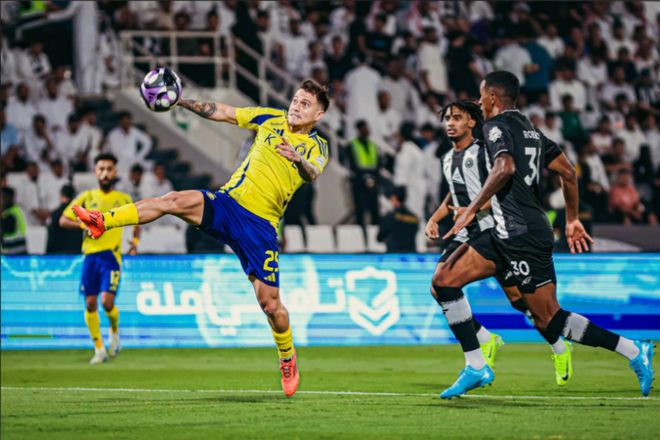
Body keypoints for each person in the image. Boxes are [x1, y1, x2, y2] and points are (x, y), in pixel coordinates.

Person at [73, 79, 331, 397]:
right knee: (172, 200)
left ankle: (287, 356)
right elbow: (224, 112)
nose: (296, 106)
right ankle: (103, 221)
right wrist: (181, 101)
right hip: (228, 204)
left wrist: (297, 158)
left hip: (261, 227)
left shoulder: (318, 146)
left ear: (318, 115)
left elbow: (313, 172)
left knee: (271, 305)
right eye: (295, 100)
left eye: (305, 104)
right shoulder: (270, 118)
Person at [433, 71, 654, 399]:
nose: (479, 102)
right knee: (444, 281)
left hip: (522, 234)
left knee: (549, 320)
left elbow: (505, 167)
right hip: (504, 232)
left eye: (481, 96)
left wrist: (471, 208)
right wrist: (572, 219)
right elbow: (568, 171)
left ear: (492, 97)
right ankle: (476, 365)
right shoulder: (530, 130)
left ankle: (632, 349)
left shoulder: (495, 127)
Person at [426, 100, 572, 385]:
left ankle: (558, 347)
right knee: (440, 285)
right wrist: (434, 218)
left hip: (492, 231)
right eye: (447, 118)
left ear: (471, 122)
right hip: (467, 233)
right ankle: (484, 341)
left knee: (522, 303)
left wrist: (474, 210)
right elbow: (453, 193)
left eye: (457, 117)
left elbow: (499, 189)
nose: (450, 123)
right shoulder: (447, 158)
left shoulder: (483, 152)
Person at [59, 153, 140, 364]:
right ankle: (99, 349)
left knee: (107, 302)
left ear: (115, 172)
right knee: (90, 303)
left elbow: (138, 220)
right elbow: (63, 220)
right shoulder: (86, 197)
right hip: (90, 257)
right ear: (95, 172)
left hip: (111, 256)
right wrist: (83, 225)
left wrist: (134, 243)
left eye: (109, 169)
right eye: (101, 169)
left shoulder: (123, 199)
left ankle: (114, 332)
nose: (105, 173)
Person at [377, 186, 419, 253]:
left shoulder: (389, 217)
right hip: (411, 254)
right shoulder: (414, 218)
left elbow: (379, 238)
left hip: (393, 254)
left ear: (394, 198)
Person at [46, 184, 83, 254]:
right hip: (76, 255)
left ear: (61, 196)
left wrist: (48, 255)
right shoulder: (79, 214)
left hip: (58, 256)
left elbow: (51, 239)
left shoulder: (55, 214)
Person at [1, 186, 27, 255]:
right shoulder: (14, 210)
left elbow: (7, 229)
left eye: (2, 198)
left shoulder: (11, 214)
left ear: (8, 198)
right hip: (16, 251)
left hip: (14, 253)